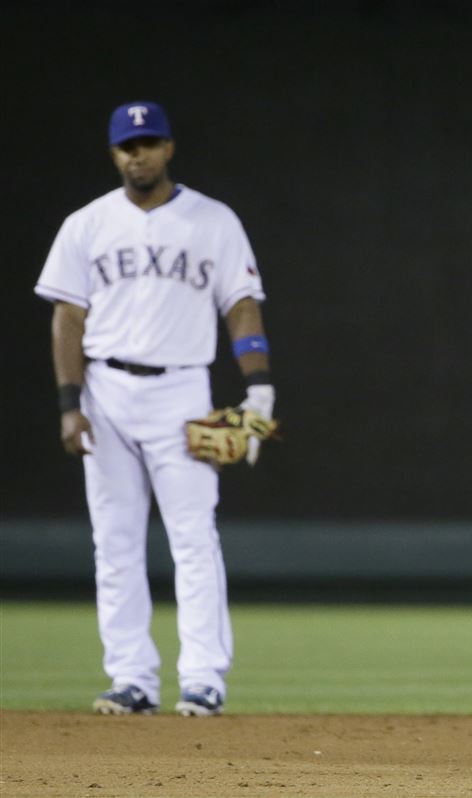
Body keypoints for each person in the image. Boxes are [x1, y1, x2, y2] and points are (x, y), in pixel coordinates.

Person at [35, 101, 276, 717]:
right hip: (106, 392)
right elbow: (68, 317)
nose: (137, 153)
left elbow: (241, 304)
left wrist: (260, 389)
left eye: (149, 142)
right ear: (114, 153)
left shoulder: (213, 221)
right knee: (113, 541)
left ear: (169, 147)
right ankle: (132, 678)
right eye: (127, 145)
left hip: (181, 392)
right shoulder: (86, 224)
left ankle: (204, 679)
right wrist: (70, 403)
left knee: (194, 537)